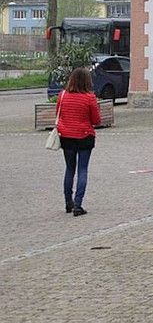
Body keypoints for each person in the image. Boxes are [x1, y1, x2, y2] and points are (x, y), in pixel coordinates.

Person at [56, 68, 102, 216]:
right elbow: (96, 120)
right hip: (84, 136)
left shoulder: (62, 95)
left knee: (70, 169)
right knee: (83, 170)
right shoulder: (89, 97)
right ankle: (78, 204)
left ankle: (68, 202)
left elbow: (58, 113)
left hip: (66, 136)